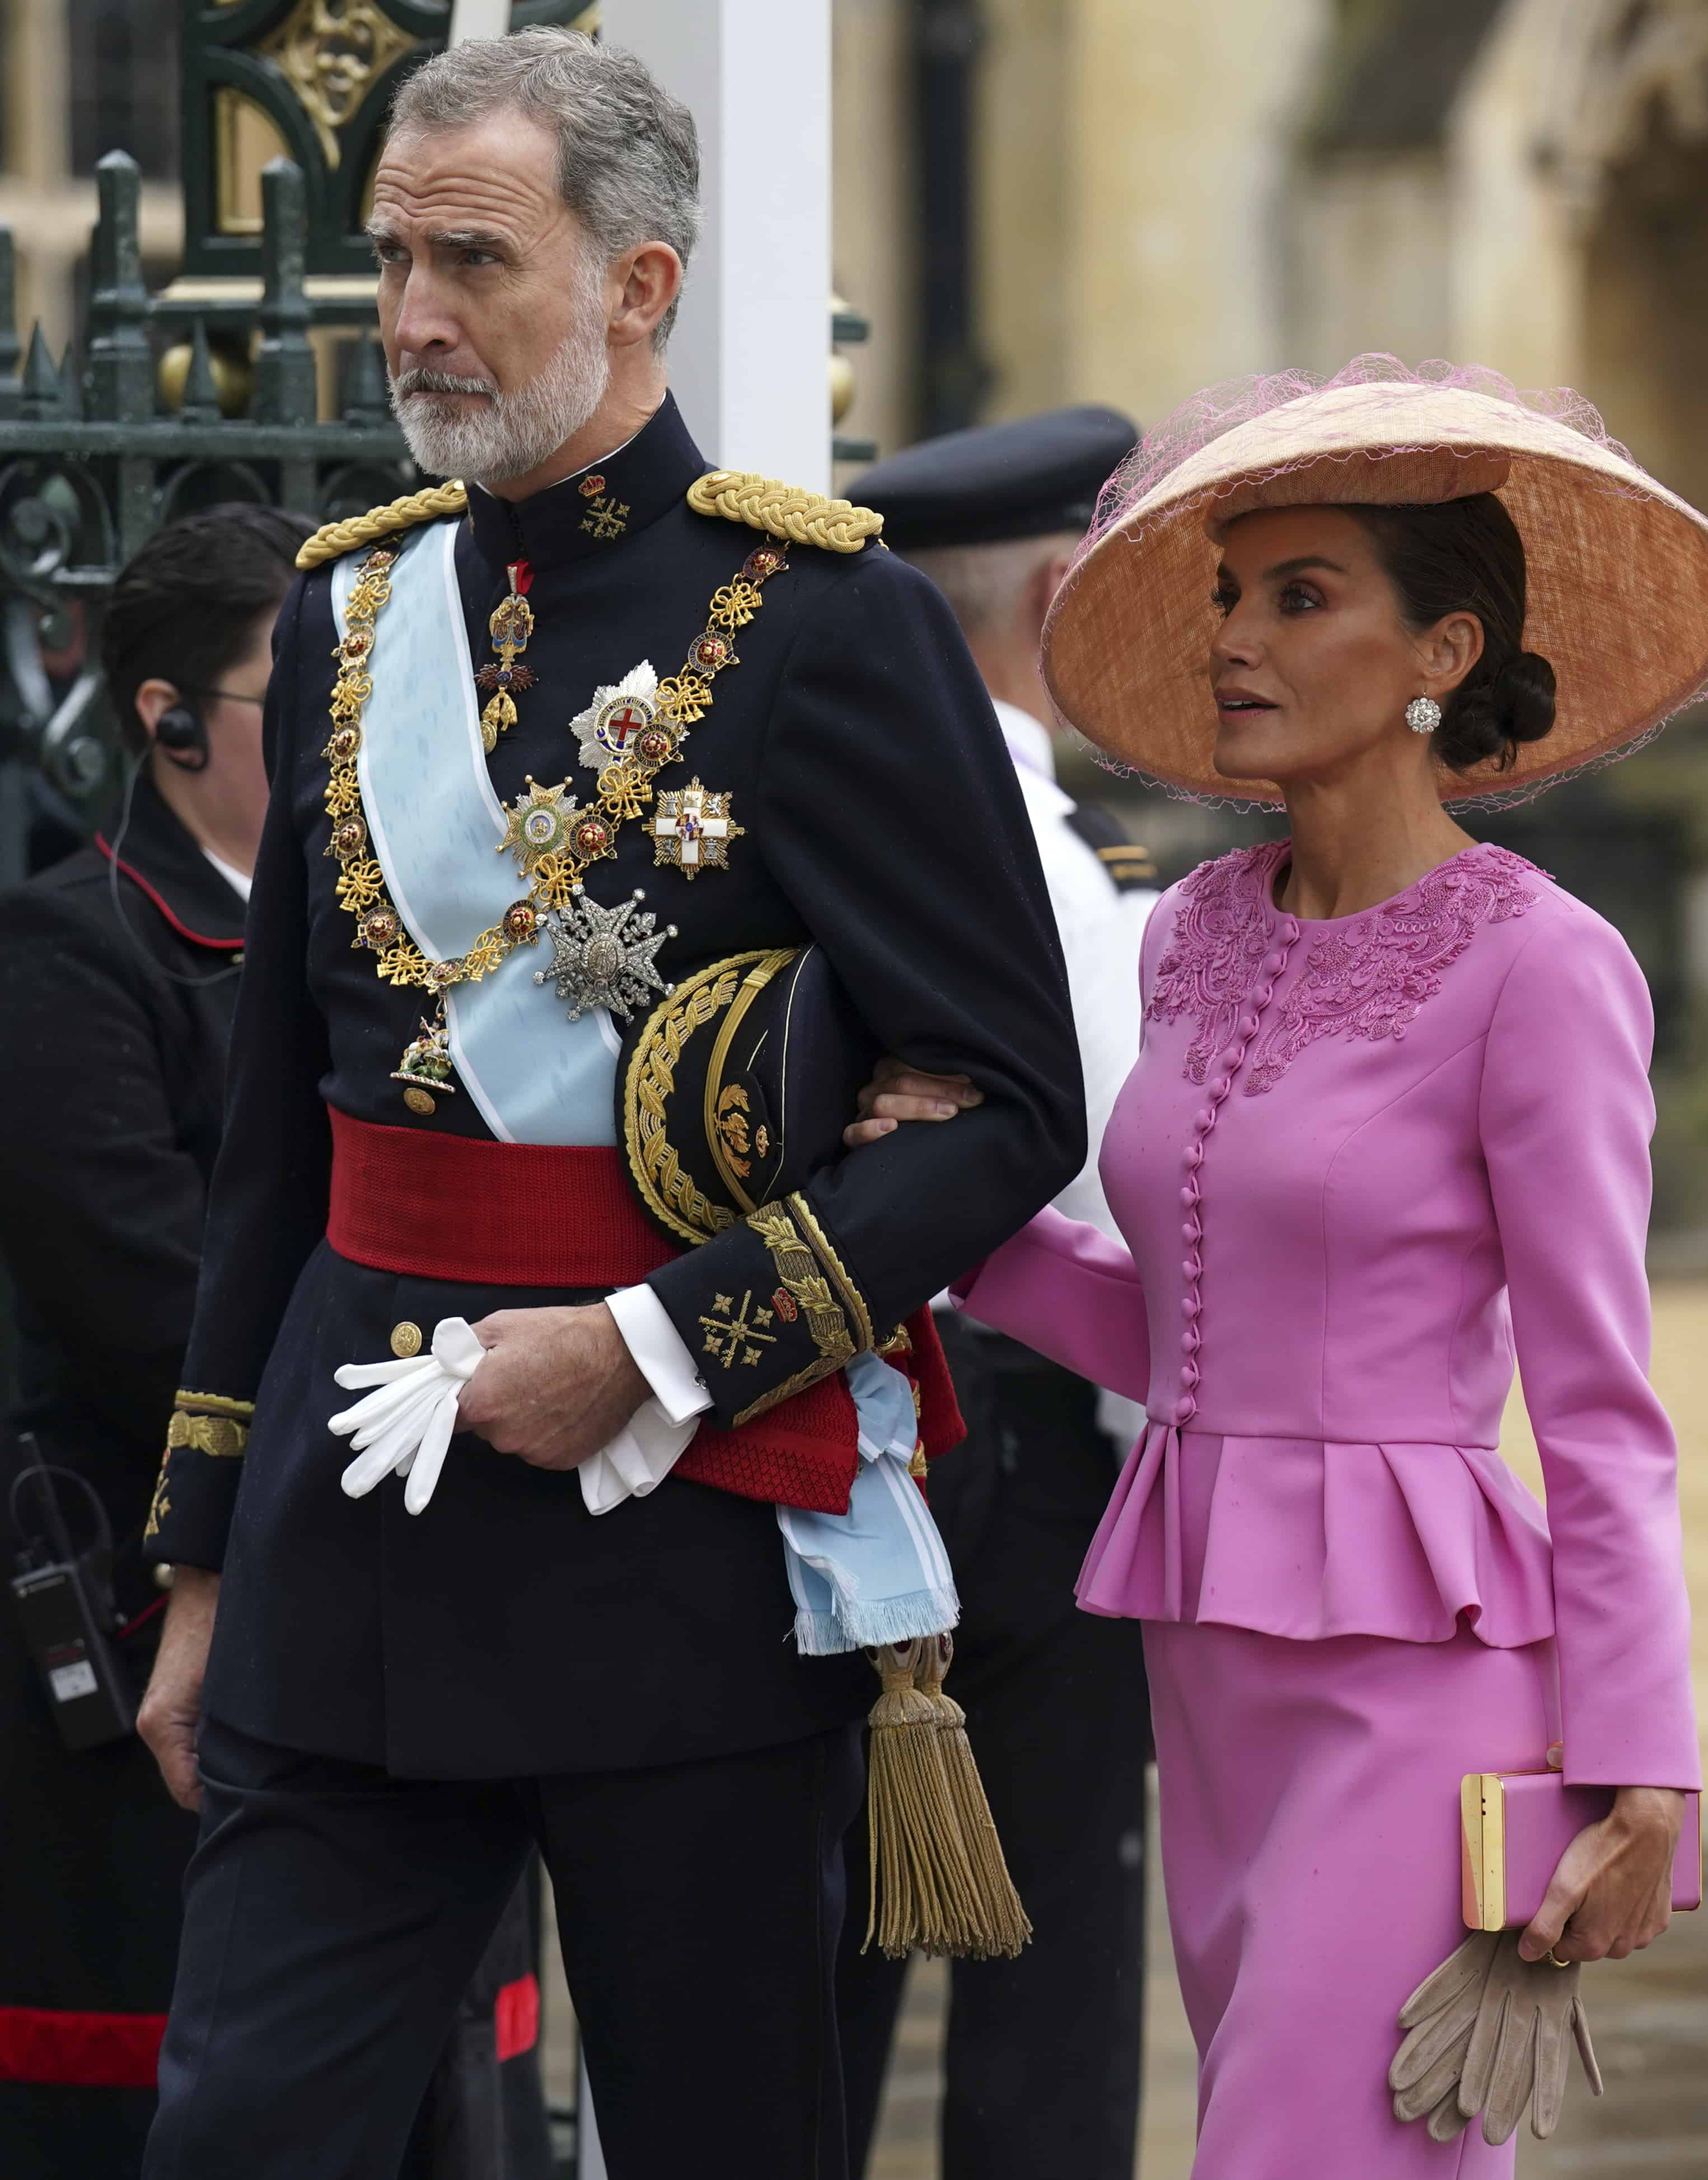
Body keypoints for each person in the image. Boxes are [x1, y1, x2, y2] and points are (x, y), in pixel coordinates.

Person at [134, 27, 1082, 2180]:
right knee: (240, 2133)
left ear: (640, 282)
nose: (411, 318)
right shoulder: (350, 604)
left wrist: (661, 1343)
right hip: (350, 1523)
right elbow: (282, 1140)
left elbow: (1008, 1097)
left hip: (679, 1542)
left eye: (474, 258)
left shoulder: (829, 624)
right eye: (391, 258)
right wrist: (200, 1560)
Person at [855, 357, 1708, 2174]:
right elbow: (1179, 1326)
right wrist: (942, 1225)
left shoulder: (1541, 966)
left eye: (1302, 595)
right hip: (1209, 1663)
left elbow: (1598, 1406)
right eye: (1226, 596)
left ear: (1441, 652)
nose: (1237, 640)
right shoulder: (1186, 931)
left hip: (1420, 1686)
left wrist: (1642, 1766)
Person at [0, 505, 551, 2180]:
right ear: (167, 720)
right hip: (169, 1617)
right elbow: (161, 1307)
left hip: (433, 1587)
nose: (356, 749)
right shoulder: (69, 951)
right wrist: (468, 1376)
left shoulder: (437, 954)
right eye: (299, 700)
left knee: (453, 2087)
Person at [836, 409, 1154, 2180]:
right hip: (1016, 1438)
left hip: (828, 1419)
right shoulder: (1040, 838)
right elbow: (1127, 1164)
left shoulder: (833, 799)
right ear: (1057, 589)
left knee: (827, 1953)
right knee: (1047, 1975)